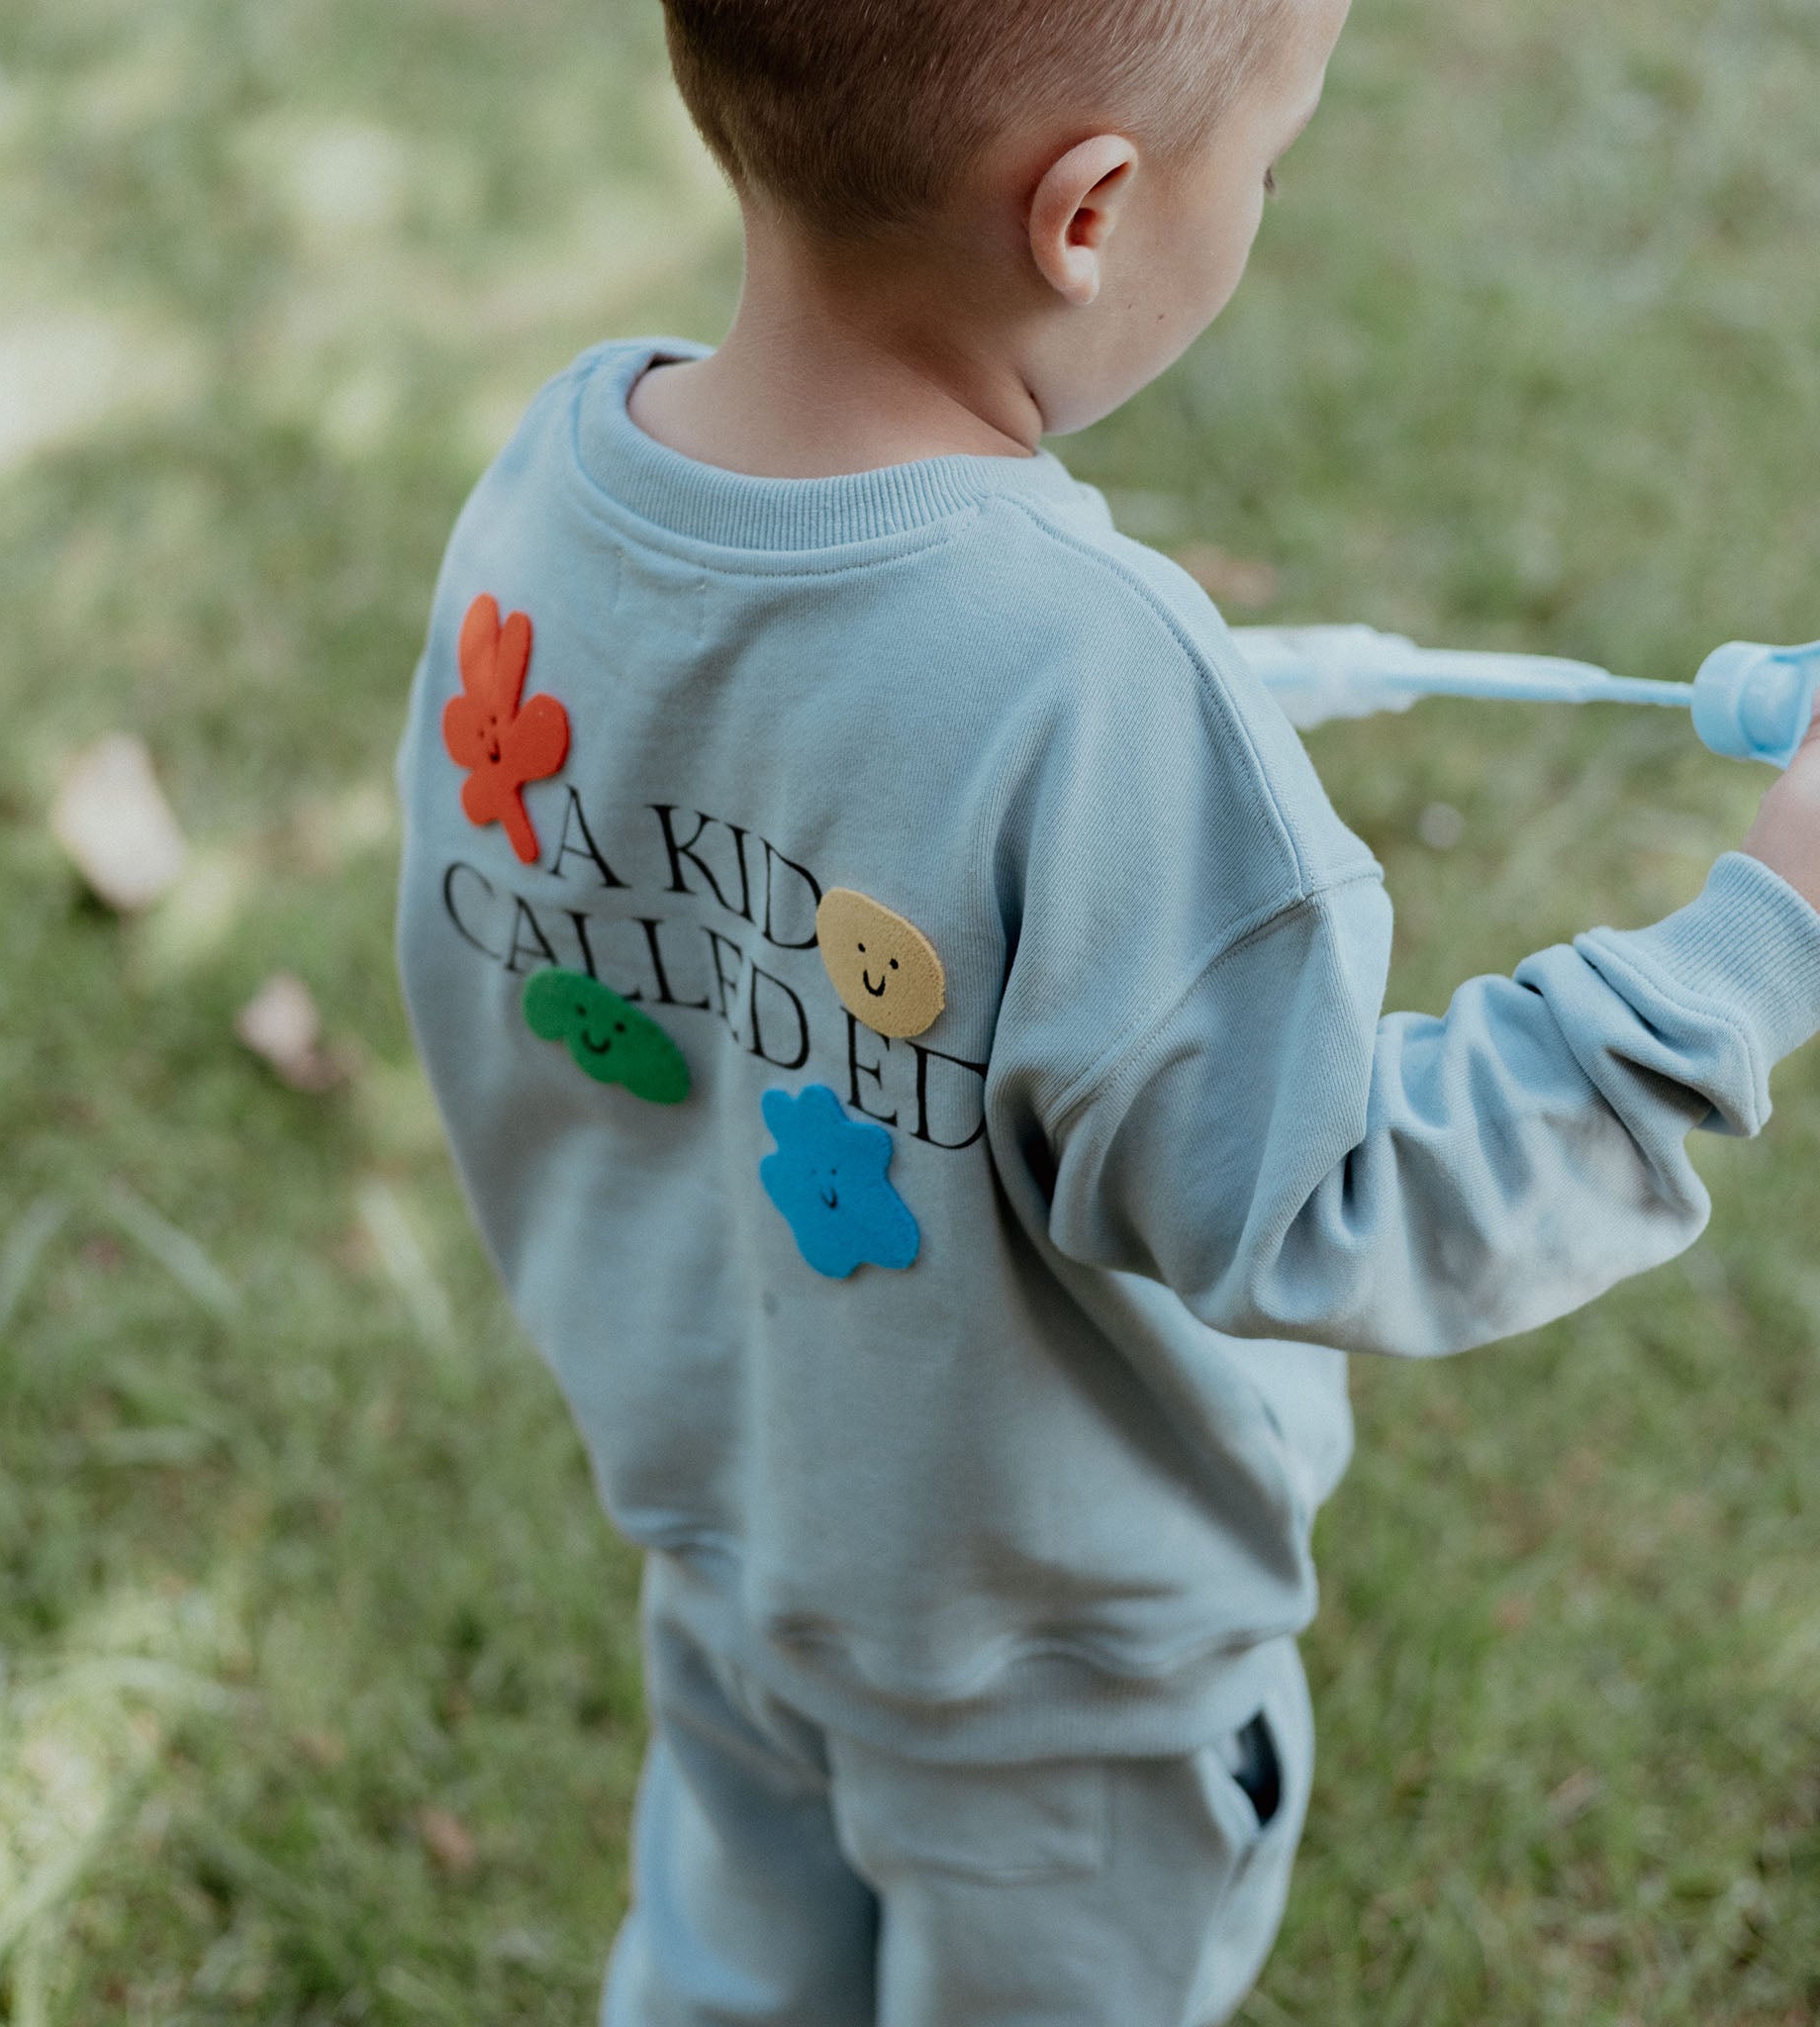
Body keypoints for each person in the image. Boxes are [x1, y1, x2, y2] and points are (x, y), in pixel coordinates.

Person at [393, 0, 1820, 2018]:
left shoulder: (556, 488)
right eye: (1272, 156)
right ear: (1089, 210)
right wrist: (1760, 941)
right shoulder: (1084, 682)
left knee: (726, 1978)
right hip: (1059, 1705)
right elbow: (1345, 1198)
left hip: (731, 1547)